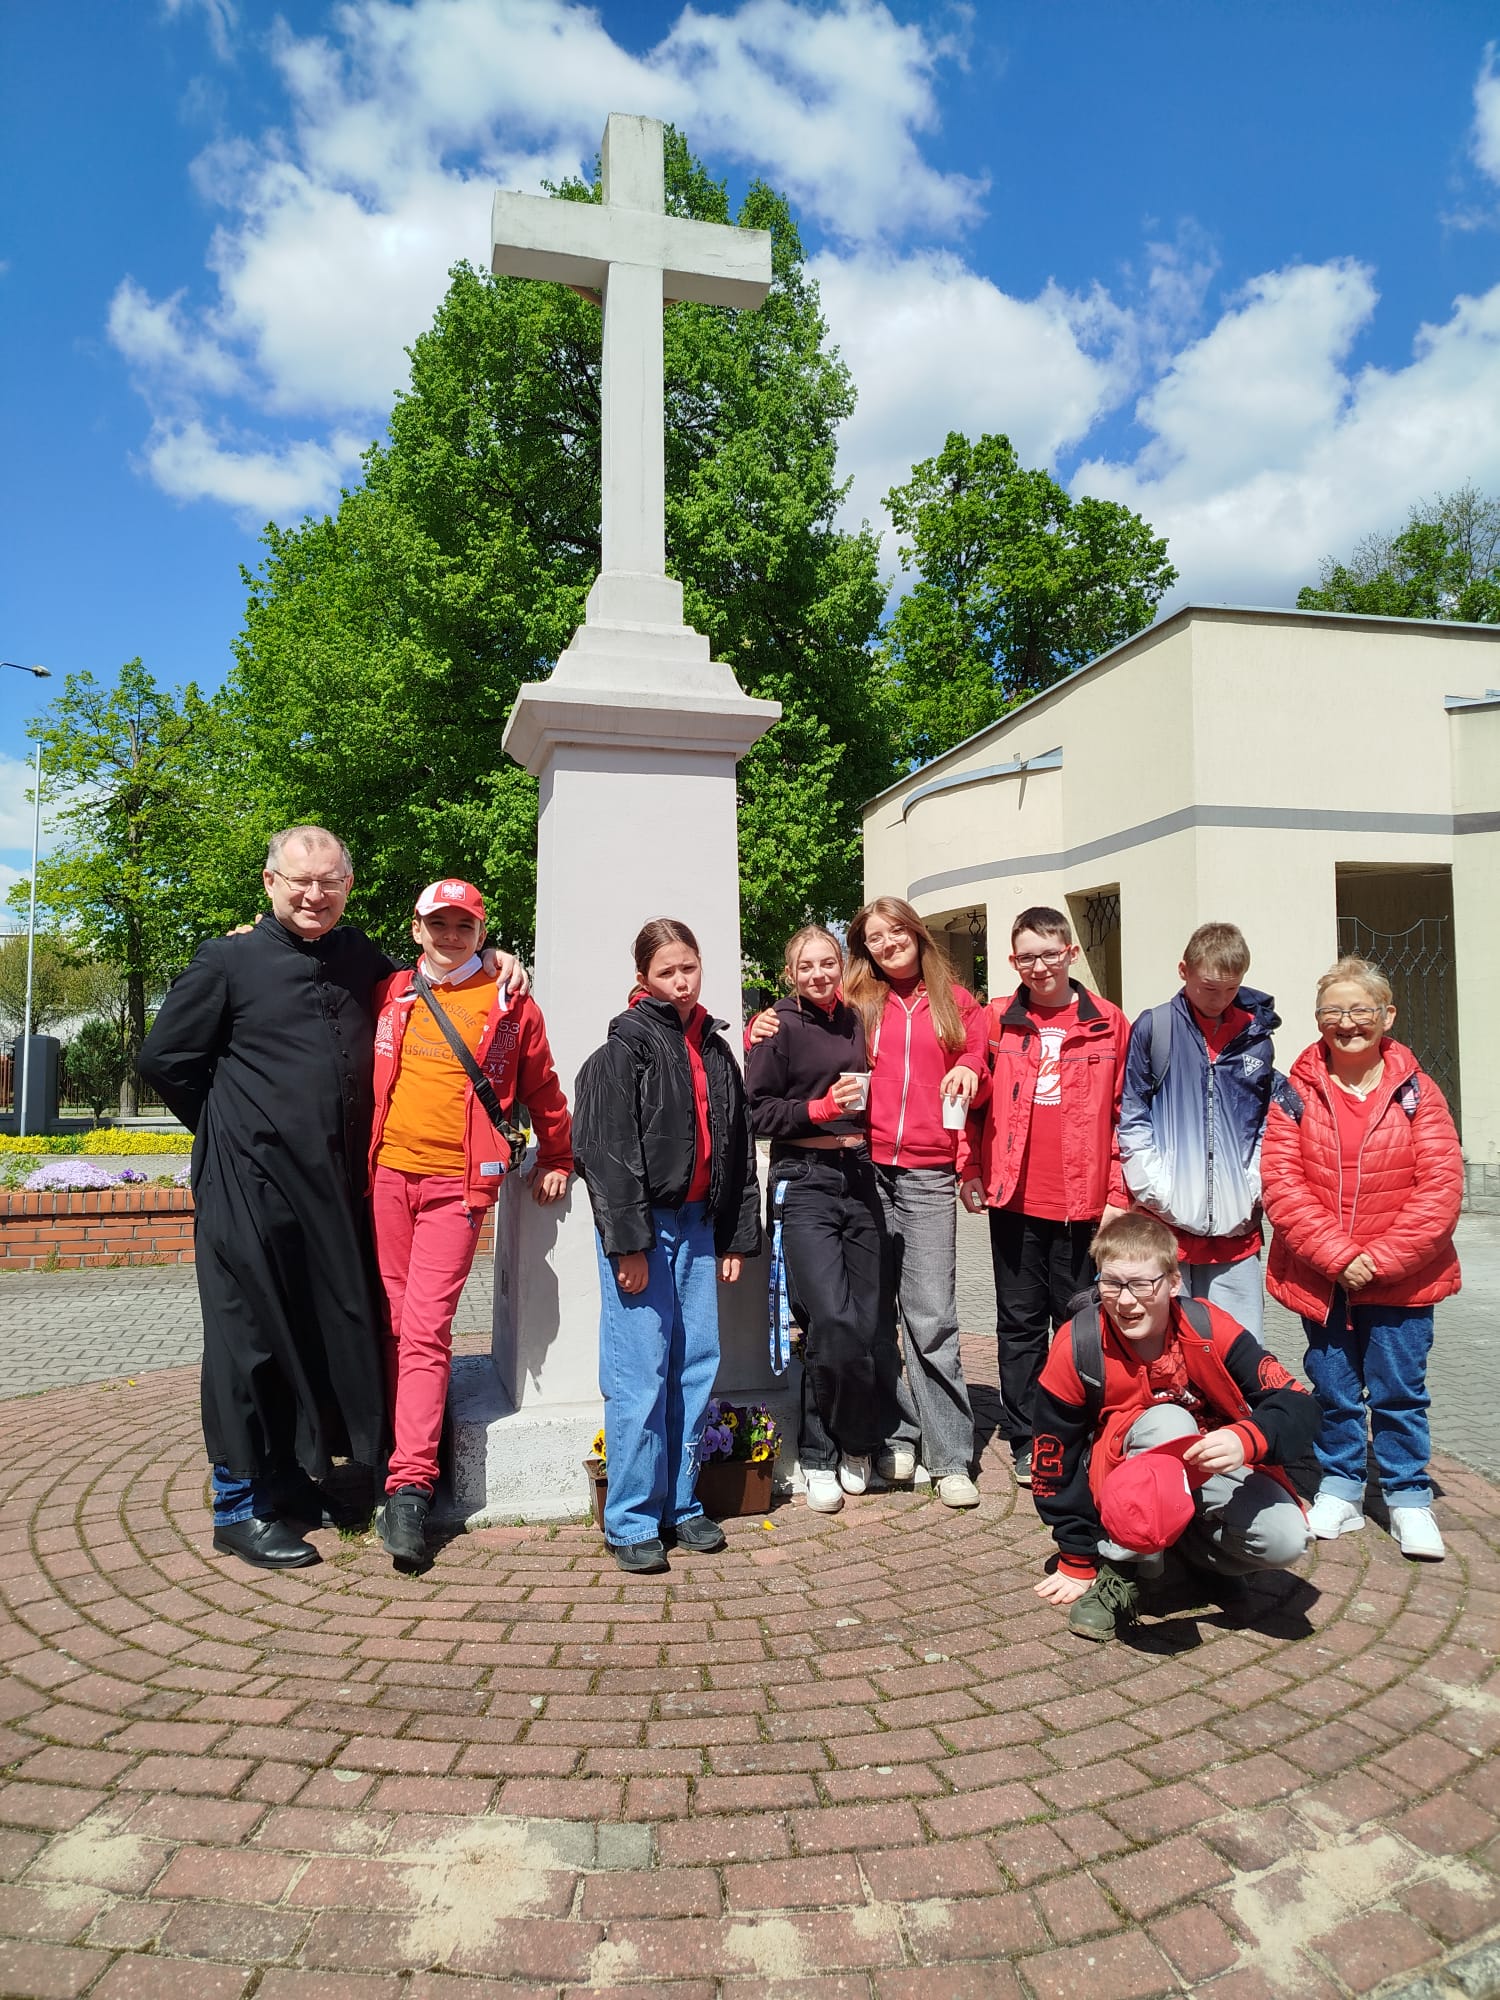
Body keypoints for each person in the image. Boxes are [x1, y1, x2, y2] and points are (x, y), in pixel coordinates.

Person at [138, 826, 526, 1571]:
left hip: (331, 1190)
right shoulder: (227, 959)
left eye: (329, 881)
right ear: (270, 883)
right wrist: (231, 1129)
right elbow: (165, 1059)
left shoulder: (358, 959)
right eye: (299, 880)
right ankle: (237, 1506)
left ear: (347, 887)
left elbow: (439, 968)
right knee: (248, 1339)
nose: (314, 894)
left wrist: (501, 960)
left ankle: (287, 1478)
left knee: (310, 1331)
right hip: (247, 1187)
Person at [368, 878, 572, 1570]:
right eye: (440, 924)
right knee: (395, 1323)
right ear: (417, 927)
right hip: (386, 1178)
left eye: (465, 926)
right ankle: (399, 1448)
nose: (451, 936)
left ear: (482, 934)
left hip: (456, 1188)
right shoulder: (391, 989)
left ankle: (410, 1487)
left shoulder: (511, 1001)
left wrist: (559, 1155)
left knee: (426, 1328)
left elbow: (542, 1085)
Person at [1030, 1210, 1316, 1642]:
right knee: (1169, 1421)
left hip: (1202, 1470)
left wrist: (1246, 1438)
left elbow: (1298, 1405)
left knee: (1285, 1538)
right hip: (1113, 1478)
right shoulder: (1078, 1343)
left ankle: (1194, 1561)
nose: (1126, 1301)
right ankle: (1123, 1571)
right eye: (1112, 1283)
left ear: (1174, 1282)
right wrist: (1076, 1556)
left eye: (1142, 1284)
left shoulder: (1208, 1326)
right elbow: (1054, 1457)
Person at [572, 918, 761, 1574]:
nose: (682, 982)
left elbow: (737, 1147)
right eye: (667, 972)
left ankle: (681, 1504)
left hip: (701, 1228)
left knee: (695, 1366)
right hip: (646, 1232)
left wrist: (735, 1233)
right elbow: (605, 1152)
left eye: (690, 968)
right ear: (642, 979)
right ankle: (629, 1519)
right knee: (639, 1374)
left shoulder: (716, 1049)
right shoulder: (624, 1049)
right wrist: (627, 1244)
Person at [1261, 956, 1462, 1561]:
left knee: (1400, 1391)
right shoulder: (1295, 1091)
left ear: (1386, 1015)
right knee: (1335, 1388)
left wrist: (1376, 1261)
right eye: (1333, 1011)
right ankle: (1343, 1487)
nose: (1346, 1023)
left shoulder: (1418, 1092)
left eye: (1359, 1010)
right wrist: (1337, 1257)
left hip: (1401, 1279)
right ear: (1318, 1018)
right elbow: (1282, 1183)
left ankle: (1407, 1496)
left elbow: (1441, 1187)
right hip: (1323, 1278)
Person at [960, 907, 1129, 1491]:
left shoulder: (1108, 1021)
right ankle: (1029, 1437)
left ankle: (1075, 1433)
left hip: (1084, 1204)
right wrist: (970, 1167)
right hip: (1013, 1198)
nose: (1039, 966)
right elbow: (972, 1104)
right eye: (1026, 957)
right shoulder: (996, 1020)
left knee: (1080, 1323)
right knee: (1019, 1324)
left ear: (1071, 953)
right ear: (1013, 961)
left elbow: (1124, 1116)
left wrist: (1117, 1192)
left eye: (1049, 954)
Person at [844, 897, 989, 1508]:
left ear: (916, 933)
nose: (887, 944)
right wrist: (762, 1026)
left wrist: (973, 1070)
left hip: (928, 1174)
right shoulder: (856, 1000)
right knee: (876, 1316)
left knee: (931, 1316)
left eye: (896, 931)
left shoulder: (957, 1003)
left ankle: (950, 1455)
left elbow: (979, 1064)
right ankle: (897, 1434)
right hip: (865, 1167)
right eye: (874, 937)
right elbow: (804, 1034)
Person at [745, 926, 888, 1513]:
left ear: (842, 964)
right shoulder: (776, 1026)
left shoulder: (856, 1020)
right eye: (807, 966)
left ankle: (854, 1444)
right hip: (803, 1180)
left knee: (866, 1321)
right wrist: (819, 1109)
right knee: (828, 1319)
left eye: (828, 963)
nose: (819, 974)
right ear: (791, 973)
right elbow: (757, 1112)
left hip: (859, 1175)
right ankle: (821, 1452)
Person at [1117, 921, 1279, 1337]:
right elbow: (1132, 1115)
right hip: (1165, 1223)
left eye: (1231, 988)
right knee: (1169, 1341)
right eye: (1209, 987)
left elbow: (1263, 1122)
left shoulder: (1257, 1037)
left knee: (1238, 1343)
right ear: (1183, 971)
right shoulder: (1155, 1028)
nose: (1219, 999)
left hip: (1236, 1230)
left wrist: (1253, 1187)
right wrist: (1155, 1190)